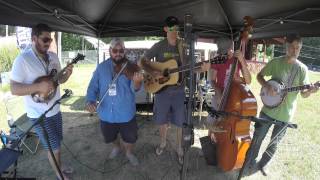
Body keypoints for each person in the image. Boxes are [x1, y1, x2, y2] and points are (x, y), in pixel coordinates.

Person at [139, 16, 210, 164]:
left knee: (179, 122)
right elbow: (142, 61)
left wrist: (201, 68)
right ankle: (163, 143)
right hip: (161, 91)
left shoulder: (183, 46)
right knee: (162, 121)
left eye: (177, 29)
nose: (174, 32)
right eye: (171, 29)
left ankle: (179, 147)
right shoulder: (159, 46)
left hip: (178, 91)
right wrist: (152, 72)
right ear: (165, 29)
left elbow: (189, 68)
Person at [244, 34, 319, 176]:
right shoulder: (276, 62)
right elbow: (259, 76)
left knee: (274, 143)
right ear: (286, 47)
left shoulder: (302, 69)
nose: (295, 50)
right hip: (267, 110)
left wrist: (311, 91)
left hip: (286, 114)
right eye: (292, 47)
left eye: (298, 48)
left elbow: (303, 93)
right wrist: (267, 86)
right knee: (257, 137)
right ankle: (249, 160)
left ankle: (263, 164)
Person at [10, 24, 73, 180]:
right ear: (34, 38)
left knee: (58, 142)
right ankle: (59, 175)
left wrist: (68, 74)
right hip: (39, 115)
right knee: (54, 147)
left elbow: (59, 80)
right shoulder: (23, 59)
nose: (48, 42)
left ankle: (59, 165)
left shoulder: (53, 56)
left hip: (55, 109)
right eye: (45, 39)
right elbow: (14, 88)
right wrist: (38, 86)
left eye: (50, 39)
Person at [85, 38, 144, 166]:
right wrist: (90, 100)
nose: (118, 53)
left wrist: (137, 83)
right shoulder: (101, 68)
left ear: (125, 51)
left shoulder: (132, 67)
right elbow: (93, 87)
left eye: (121, 50)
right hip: (106, 114)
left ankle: (129, 152)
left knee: (130, 138)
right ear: (110, 50)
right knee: (109, 137)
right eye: (115, 50)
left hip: (126, 113)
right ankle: (116, 147)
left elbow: (136, 90)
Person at [208, 38, 252, 140]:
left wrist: (241, 60)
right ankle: (210, 141)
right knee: (212, 122)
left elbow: (248, 80)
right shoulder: (217, 59)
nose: (223, 55)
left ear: (230, 48)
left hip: (234, 97)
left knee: (231, 124)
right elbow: (212, 80)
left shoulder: (238, 59)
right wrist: (218, 92)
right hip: (220, 96)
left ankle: (226, 143)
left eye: (225, 52)